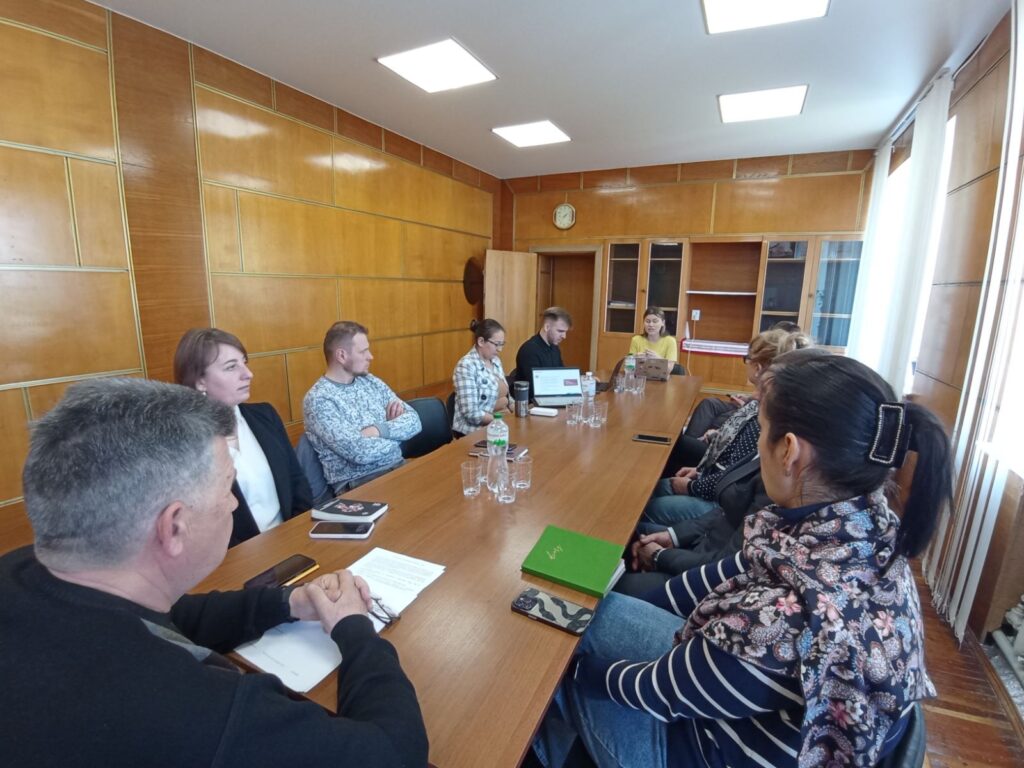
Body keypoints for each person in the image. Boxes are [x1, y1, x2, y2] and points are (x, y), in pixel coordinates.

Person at [535, 353, 951, 768]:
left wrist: (573, 673)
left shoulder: (779, 621)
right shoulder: (860, 526)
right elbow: (721, 575)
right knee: (586, 617)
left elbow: (657, 690)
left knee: (552, 660)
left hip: (698, 748)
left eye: (762, 430)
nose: (758, 443)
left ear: (789, 450)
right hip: (740, 711)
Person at [1, 378, 428, 767]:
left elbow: (170, 618)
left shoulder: (26, 568)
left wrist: (288, 602)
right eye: (227, 488)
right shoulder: (195, 711)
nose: (235, 504)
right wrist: (354, 627)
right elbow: (396, 752)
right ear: (174, 527)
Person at [645, 328, 811, 525]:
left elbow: (733, 481)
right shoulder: (763, 405)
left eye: (746, 358)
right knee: (650, 489)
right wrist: (700, 472)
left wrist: (691, 486)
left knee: (646, 507)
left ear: (758, 367)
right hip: (711, 481)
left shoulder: (766, 416)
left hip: (718, 503)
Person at [174, 328, 312, 546]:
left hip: (292, 541)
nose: (248, 373)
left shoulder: (265, 416)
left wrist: (296, 537)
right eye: (231, 367)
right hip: (234, 557)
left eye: (244, 362)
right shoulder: (183, 442)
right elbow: (198, 527)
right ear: (200, 381)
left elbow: (298, 483)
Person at [303, 321, 422, 494]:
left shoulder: (370, 381)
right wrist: (399, 434)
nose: (370, 356)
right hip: (360, 484)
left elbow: (415, 421)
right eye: (363, 351)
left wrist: (377, 430)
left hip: (398, 466)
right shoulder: (319, 400)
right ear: (342, 355)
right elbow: (361, 453)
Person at [682, 320, 803, 440]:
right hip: (731, 430)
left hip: (722, 444)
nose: (746, 363)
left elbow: (738, 435)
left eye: (748, 358)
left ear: (757, 368)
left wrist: (716, 434)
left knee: (681, 442)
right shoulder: (776, 393)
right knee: (709, 404)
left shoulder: (766, 407)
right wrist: (748, 400)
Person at [452, 318, 510, 437]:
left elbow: (505, 394)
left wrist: (517, 410)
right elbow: (471, 413)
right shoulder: (466, 366)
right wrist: (502, 422)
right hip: (476, 431)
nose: (500, 349)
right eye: (496, 344)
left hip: (500, 423)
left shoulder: (495, 360)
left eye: (502, 344)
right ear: (481, 341)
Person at [515, 306, 572, 400]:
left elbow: (561, 374)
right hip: (532, 404)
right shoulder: (529, 350)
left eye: (565, 332)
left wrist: (582, 380)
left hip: (551, 398)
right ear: (547, 327)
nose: (564, 336)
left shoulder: (554, 348)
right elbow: (537, 388)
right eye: (560, 331)